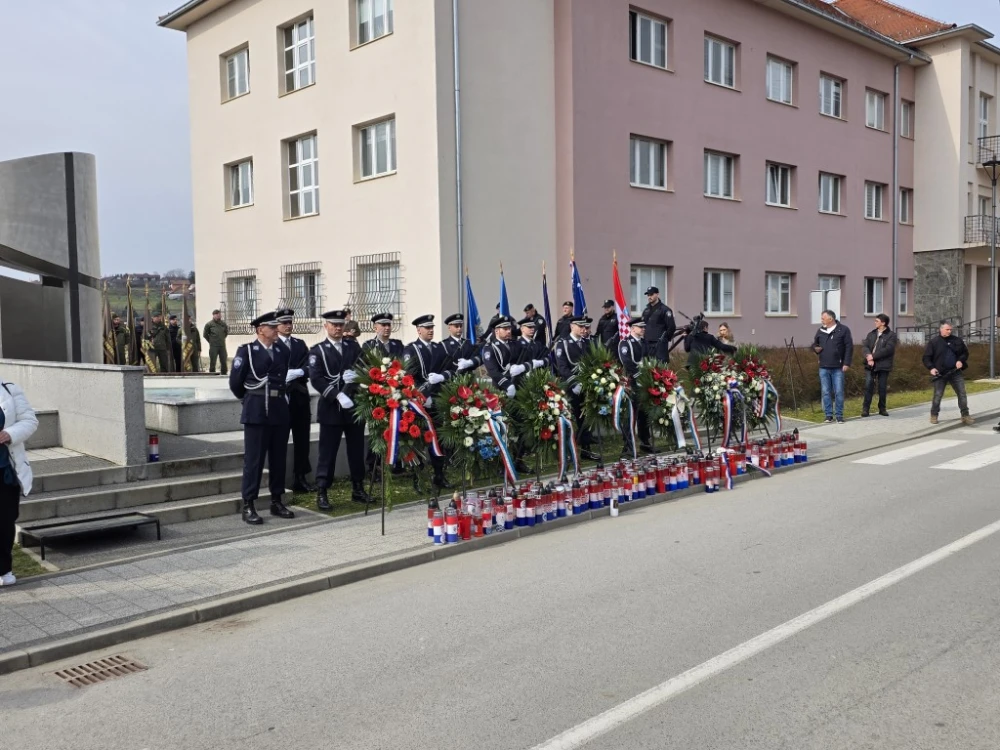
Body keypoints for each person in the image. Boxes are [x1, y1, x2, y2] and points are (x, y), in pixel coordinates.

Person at [229, 311, 296, 525]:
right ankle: (248, 503)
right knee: (254, 460)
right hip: (256, 410)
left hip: (278, 410)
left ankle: (277, 501)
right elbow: (236, 383)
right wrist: (250, 400)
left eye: (277, 326)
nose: (277, 329)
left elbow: (282, 379)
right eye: (272, 327)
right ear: (260, 330)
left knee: (278, 458)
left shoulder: (282, 351)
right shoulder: (247, 351)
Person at [309, 310, 371, 509]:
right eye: (333, 324)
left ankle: (358, 488)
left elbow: (364, 367)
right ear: (326, 326)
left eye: (340, 325)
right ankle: (322, 491)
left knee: (355, 450)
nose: (337, 328)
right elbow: (316, 378)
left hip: (353, 407)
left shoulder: (353, 347)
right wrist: (337, 394)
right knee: (327, 453)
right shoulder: (317, 350)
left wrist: (355, 381)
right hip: (331, 408)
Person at [403, 315, 454, 489]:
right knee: (418, 441)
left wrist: (442, 376)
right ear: (418, 330)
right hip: (420, 403)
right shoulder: (411, 349)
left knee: (438, 440)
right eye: (427, 328)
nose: (431, 330)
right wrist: (422, 395)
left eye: (432, 327)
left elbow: (451, 369)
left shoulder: (439, 348)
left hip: (437, 401)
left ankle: (440, 475)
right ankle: (419, 479)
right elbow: (408, 377)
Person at [0, 378, 38, 587]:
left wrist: (8, 434)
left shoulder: (9, 389)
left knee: (5, 522)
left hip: (5, 471)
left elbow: (30, 421)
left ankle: (4, 570)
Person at [277, 308, 315, 493]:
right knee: (280, 440)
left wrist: (300, 371)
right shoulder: (273, 344)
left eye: (290, 322)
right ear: (276, 325)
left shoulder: (299, 344)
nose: (288, 326)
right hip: (282, 399)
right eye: (284, 323)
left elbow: (310, 365)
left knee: (302, 440)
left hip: (299, 397)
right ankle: (278, 479)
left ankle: (300, 477)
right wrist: (284, 374)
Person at [554, 316, 599, 461]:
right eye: (580, 326)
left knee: (584, 418)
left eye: (584, 327)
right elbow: (562, 367)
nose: (583, 329)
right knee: (569, 419)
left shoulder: (586, 343)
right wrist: (574, 383)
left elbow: (592, 363)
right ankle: (566, 451)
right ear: (572, 326)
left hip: (585, 386)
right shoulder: (563, 344)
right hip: (570, 387)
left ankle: (586, 449)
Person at [923, 321, 974, 425]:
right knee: (938, 395)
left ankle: (965, 415)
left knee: (962, 393)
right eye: (947, 329)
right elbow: (926, 357)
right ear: (941, 329)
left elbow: (965, 353)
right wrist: (931, 368)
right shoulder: (934, 342)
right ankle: (934, 415)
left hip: (955, 372)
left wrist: (960, 360)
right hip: (941, 373)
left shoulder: (957, 340)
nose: (949, 331)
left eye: (951, 329)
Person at [812, 310, 853, 424]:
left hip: (838, 367)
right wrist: (815, 349)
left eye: (823, 318)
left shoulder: (843, 330)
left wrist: (846, 363)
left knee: (839, 391)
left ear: (831, 319)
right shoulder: (821, 330)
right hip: (824, 366)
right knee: (825, 392)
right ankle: (828, 415)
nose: (821, 320)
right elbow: (814, 344)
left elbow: (849, 347)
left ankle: (839, 415)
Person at [619, 317, 653, 454]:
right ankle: (628, 444)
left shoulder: (644, 342)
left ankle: (645, 441)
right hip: (632, 382)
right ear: (633, 328)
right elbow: (627, 362)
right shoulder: (625, 343)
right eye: (640, 327)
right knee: (630, 414)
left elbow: (648, 359)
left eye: (644, 327)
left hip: (644, 382)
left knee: (644, 413)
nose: (643, 329)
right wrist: (638, 376)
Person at [861, 313, 897, 417]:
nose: (875, 322)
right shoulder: (872, 334)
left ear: (883, 323)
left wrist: (873, 356)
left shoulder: (891, 335)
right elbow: (865, 346)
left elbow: (888, 350)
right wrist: (868, 356)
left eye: (877, 321)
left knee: (882, 387)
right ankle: (865, 409)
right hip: (870, 364)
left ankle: (882, 408)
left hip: (883, 365)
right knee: (868, 386)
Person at [641, 286, 676, 361]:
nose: (649, 297)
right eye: (648, 295)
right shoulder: (646, 310)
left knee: (660, 368)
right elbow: (643, 325)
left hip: (659, 344)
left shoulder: (665, 310)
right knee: (647, 367)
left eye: (651, 295)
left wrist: (664, 339)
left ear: (657, 294)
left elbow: (671, 327)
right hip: (647, 344)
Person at [204, 310, 230, 374]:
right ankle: (212, 372)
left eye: (219, 314)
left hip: (222, 345)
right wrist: (211, 341)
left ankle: (224, 372)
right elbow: (205, 335)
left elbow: (226, 333)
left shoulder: (223, 324)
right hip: (213, 346)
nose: (219, 315)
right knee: (213, 360)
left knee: (223, 360)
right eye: (217, 314)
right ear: (213, 315)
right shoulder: (209, 324)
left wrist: (221, 338)